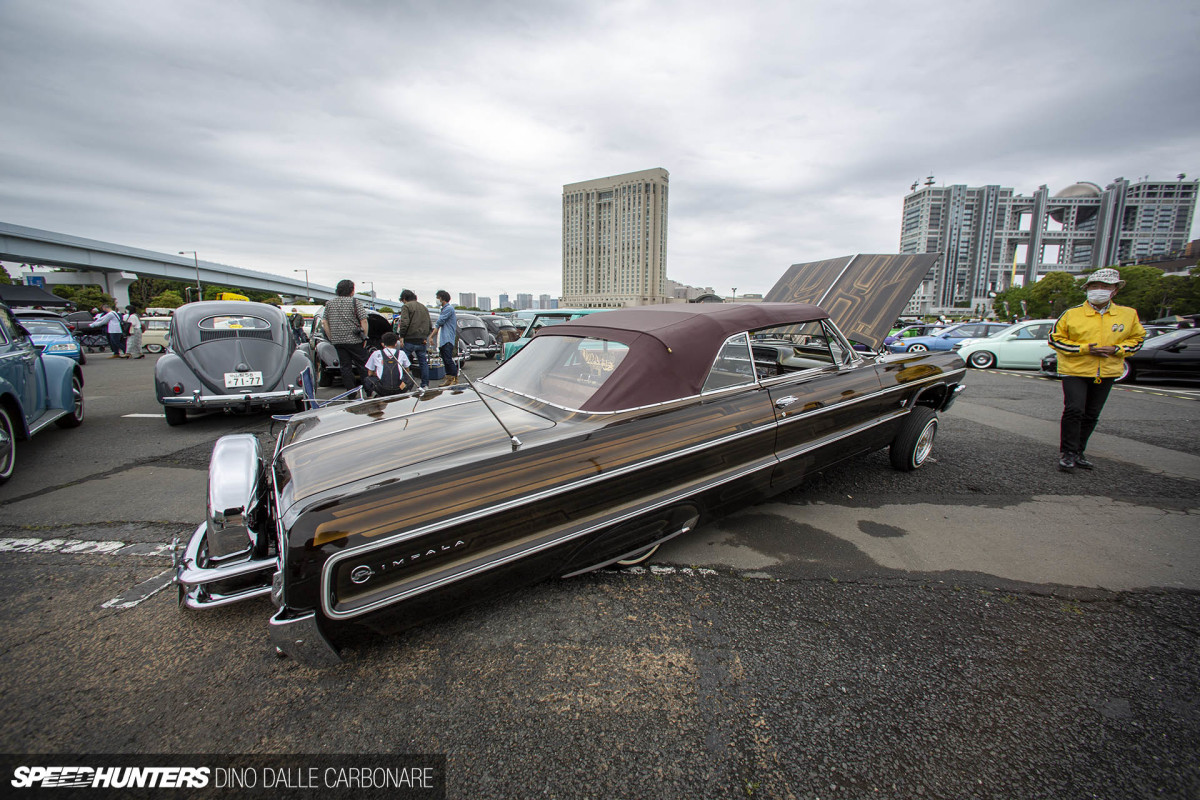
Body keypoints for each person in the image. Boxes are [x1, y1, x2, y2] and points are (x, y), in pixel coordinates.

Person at [1048, 268, 1146, 472]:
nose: (1099, 290)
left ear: (1115, 291)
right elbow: (1054, 339)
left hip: (1107, 370)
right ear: (1087, 289)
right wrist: (1084, 349)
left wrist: (1117, 349)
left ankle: (1078, 452)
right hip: (1075, 369)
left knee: (1092, 413)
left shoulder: (1128, 315)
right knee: (1075, 409)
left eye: (1105, 287)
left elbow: (1137, 340)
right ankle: (1067, 453)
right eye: (1094, 286)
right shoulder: (1072, 313)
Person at [321, 279, 370, 390]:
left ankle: (351, 393)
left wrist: (331, 337)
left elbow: (324, 322)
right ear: (351, 291)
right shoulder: (354, 302)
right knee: (363, 365)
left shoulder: (329, 304)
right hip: (355, 340)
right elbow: (364, 321)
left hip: (338, 341)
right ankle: (369, 391)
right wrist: (365, 337)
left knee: (345, 367)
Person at [396, 289, 432, 388]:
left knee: (403, 362)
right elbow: (430, 325)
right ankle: (425, 384)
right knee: (423, 363)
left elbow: (404, 323)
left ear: (404, 299)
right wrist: (425, 336)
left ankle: (403, 384)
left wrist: (401, 336)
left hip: (409, 339)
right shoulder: (424, 307)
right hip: (422, 340)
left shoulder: (406, 306)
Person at [363, 332, 412, 397]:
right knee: (410, 377)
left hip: (382, 389)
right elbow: (407, 370)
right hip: (399, 388)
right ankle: (404, 392)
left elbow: (370, 373)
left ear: (383, 344)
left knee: (367, 379)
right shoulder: (401, 353)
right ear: (396, 344)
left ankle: (371, 396)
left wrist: (378, 373)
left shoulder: (376, 353)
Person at [429, 289, 459, 387]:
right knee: (445, 360)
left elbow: (439, 322)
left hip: (447, 338)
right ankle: (448, 379)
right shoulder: (444, 309)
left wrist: (431, 336)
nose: (437, 300)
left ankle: (455, 379)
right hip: (443, 339)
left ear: (442, 298)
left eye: (438, 298)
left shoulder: (448, 309)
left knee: (448, 359)